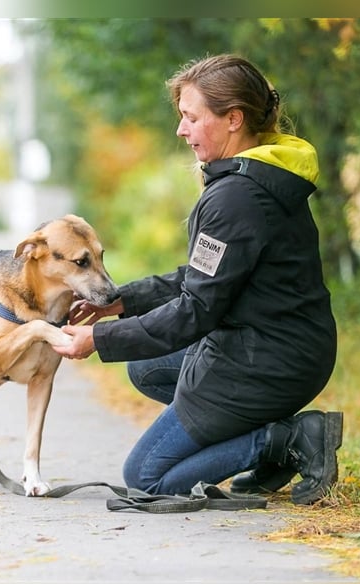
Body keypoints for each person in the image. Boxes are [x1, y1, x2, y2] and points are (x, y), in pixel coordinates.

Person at [52, 54, 342, 505]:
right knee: (146, 368)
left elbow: (196, 310)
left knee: (146, 478)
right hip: (283, 344)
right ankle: (260, 438)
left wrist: (99, 340)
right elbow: (204, 278)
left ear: (233, 119)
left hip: (267, 361)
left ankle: (285, 440)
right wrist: (121, 302)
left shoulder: (237, 198)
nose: (181, 131)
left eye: (191, 118)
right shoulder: (259, 176)